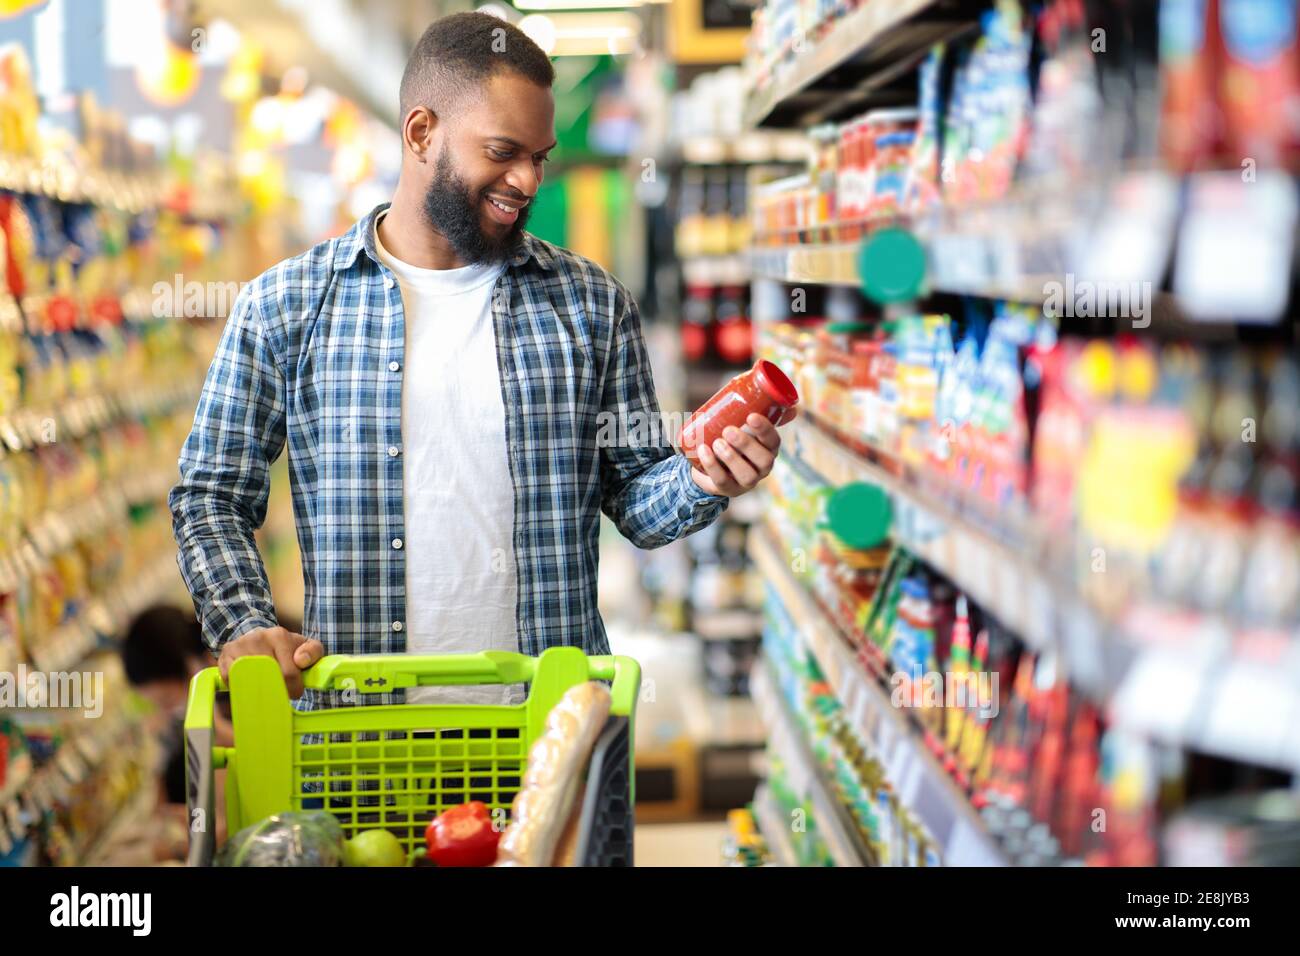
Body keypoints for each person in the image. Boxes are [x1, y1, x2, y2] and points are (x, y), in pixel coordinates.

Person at [169, 12, 792, 709]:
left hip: (551, 737)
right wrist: (243, 621)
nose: (527, 180)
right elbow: (210, 493)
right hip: (363, 746)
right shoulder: (286, 305)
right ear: (420, 133)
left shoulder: (590, 305)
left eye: (540, 156)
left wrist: (706, 478)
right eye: (502, 151)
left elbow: (639, 506)